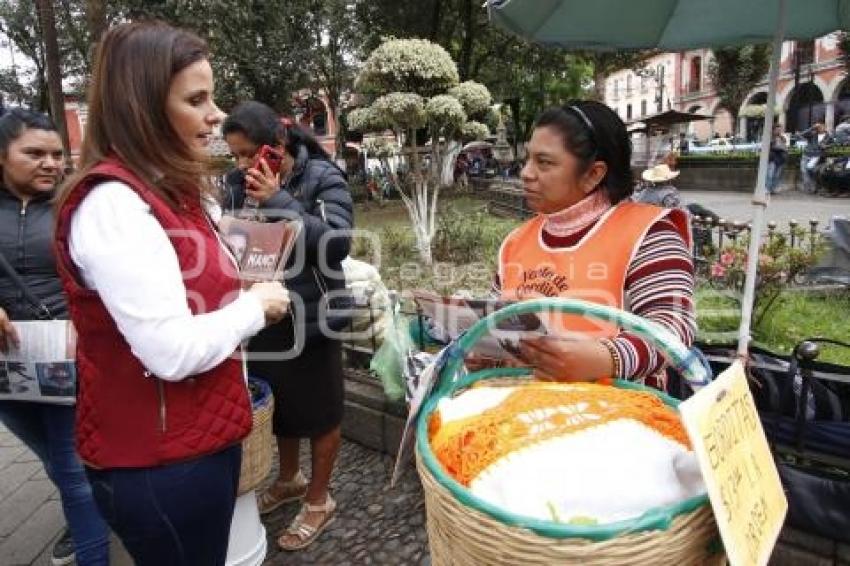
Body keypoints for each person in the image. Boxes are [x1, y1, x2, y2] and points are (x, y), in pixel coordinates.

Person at [52, 22, 290, 565]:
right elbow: (171, 351)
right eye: (196, 99)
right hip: (160, 465)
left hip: (195, 442)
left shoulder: (171, 190)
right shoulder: (115, 206)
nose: (216, 114)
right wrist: (255, 306)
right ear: (143, 108)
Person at [221, 101, 353, 551]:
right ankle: (290, 478)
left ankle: (319, 500)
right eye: (233, 156)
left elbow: (337, 245)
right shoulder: (236, 184)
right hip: (263, 314)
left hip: (312, 317)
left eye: (248, 154)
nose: (240, 166)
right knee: (281, 410)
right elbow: (233, 241)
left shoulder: (322, 177)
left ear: (276, 146)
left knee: (320, 413)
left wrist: (279, 201)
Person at [497, 101, 695, 390]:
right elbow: (496, 324)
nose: (526, 173)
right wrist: (487, 352)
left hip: (619, 418)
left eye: (545, 162)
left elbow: (673, 330)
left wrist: (606, 358)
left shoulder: (649, 234)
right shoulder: (516, 242)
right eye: (528, 159)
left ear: (593, 174)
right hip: (522, 412)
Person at [0, 109, 110, 566]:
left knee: (71, 470)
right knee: (55, 461)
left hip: (68, 360)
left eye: (56, 155)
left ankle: (92, 545)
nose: (49, 163)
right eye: (34, 153)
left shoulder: (76, 205)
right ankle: (94, 504)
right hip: (7, 371)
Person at [800, 122, 828, 194]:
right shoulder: (813, 134)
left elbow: (833, 144)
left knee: (811, 170)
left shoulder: (828, 136)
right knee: (803, 171)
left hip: (816, 156)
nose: (820, 128)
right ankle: (807, 188)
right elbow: (802, 134)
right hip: (806, 154)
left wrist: (826, 146)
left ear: (825, 127)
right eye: (818, 127)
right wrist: (812, 127)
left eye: (821, 126)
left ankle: (814, 187)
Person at [766, 124, 788, 195]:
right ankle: (767, 188)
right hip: (773, 158)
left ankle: (773, 188)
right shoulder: (770, 137)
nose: (779, 131)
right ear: (773, 130)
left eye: (780, 130)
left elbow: (785, 147)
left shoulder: (783, 138)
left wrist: (781, 146)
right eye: (777, 130)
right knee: (770, 174)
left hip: (780, 158)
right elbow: (770, 146)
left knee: (777, 175)